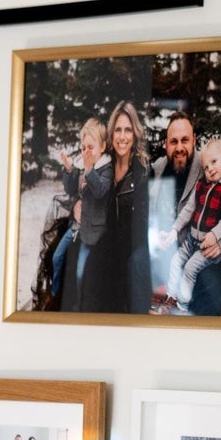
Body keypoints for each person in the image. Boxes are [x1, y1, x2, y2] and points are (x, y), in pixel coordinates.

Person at [168, 137, 221, 315]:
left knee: (191, 269)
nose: (210, 169)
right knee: (176, 261)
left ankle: (182, 305)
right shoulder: (201, 185)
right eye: (206, 167)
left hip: (207, 246)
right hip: (191, 240)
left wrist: (216, 237)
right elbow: (188, 210)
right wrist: (174, 229)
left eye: (214, 162)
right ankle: (171, 296)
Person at [54, 119, 110, 312]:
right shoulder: (83, 164)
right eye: (84, 147)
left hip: (91, 232)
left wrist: (88, 170)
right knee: (56, 257)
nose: (86, 152)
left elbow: (101, 191)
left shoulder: (105, 168)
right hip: (76, 226)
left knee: (80, 273)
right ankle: (54, 294)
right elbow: (71, 190)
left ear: (102, 147)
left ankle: (80, 307)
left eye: (91, 147)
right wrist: (70, 169)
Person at [107, 101, 153, 315]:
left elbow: (142, 226)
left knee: (134, 267)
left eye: (127, 130)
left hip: (132, 246)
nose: (122, 137)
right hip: (104, 241)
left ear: (134, 134)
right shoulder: (103, 165)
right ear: (111, 133)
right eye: (118, 130)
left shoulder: (142, 172)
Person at [149, 114, 198, 296]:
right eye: (173, 141)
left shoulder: (207, 166)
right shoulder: (158, 169)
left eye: (185, 140)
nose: (179, 148)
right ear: (166, 144)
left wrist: (218, 239)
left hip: (195, 254)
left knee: (213, 289)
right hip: (162, 252)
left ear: (194, 140)